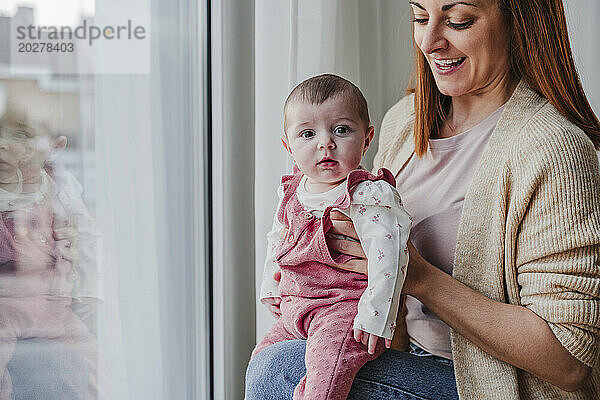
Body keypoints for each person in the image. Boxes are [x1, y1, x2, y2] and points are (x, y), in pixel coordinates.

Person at [246, 0, 600, 398]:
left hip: (494, 387)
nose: (429, 41)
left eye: (458, 21)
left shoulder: (552, 149)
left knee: (281, 369)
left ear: (519, 20)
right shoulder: (406, 122)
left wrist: (420, 278)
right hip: (413, 361)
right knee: (274, 354)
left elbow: (571, 361)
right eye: (419, 17)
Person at [248, 74, 412, 400]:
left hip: (345, 309)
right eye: (308, 134)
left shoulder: (368, 195)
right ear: (289, 147)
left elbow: (390, 259)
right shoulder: (291, 190)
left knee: (326, 378)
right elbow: (277, 239)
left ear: (367, 139)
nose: (326, 143)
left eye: (341, 130)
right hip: (297, 306)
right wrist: (272, 286)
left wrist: (377, 316)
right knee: (260, 368)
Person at [0, 110, 101, 399]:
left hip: (51, 304)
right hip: (9, 304)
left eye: (20, 136)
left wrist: (89, 290)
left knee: (92, 359)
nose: (3, 144)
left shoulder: (58, 186)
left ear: (54, 147)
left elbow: (89, 237)